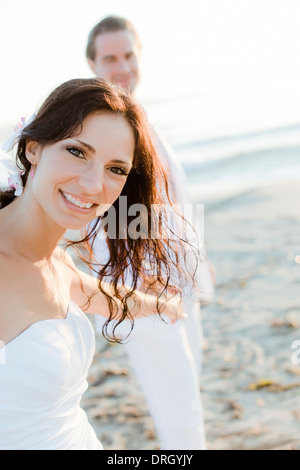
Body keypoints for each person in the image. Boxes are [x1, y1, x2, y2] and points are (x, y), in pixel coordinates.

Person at [0, 78, 190, 450]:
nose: (92, 184)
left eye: (116, 169)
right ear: (34, 147)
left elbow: (99, 294)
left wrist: (163, 305)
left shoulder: (54, 258)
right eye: (77, 152)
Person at [86, 16, 215, 450]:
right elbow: (98, 210)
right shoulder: (102, 128)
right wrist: (143, 281)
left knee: (188, 396)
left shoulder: (138, 119)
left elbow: (170, 204)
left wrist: (197, 260)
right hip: (143, 292)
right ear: (92, 64)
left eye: (128, 55)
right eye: (110, 58)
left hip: (180, 285)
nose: (122, 66)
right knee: (179, 412)